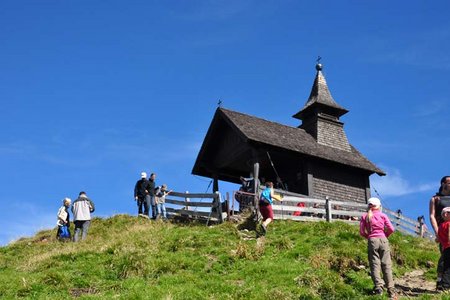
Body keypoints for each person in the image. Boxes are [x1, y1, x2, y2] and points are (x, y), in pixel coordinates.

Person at [359, 197, 396, 299]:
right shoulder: (383, 215)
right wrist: (385, 235)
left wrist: (369, 237)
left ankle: (378, 288)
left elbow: (362, 232)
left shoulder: (365, 216)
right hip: (383, 239)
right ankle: (391, 291)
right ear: (379, 206)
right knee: (386, 265)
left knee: (375, 264)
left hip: (372, 240)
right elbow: (391, 229)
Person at [429, 175, 450, 289]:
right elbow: (432, 216)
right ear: (443, 184)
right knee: (445, 257)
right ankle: (441, 282)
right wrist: (437, 232)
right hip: (444, 232)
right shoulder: (435, 199)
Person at [438, 207, 450, 290]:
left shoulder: (441, 226)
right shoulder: (449, 223)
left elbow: (438, 239)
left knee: (446, 267)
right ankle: (446, 286)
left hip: (445, 249)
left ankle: (444, 285)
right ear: (445, 214)